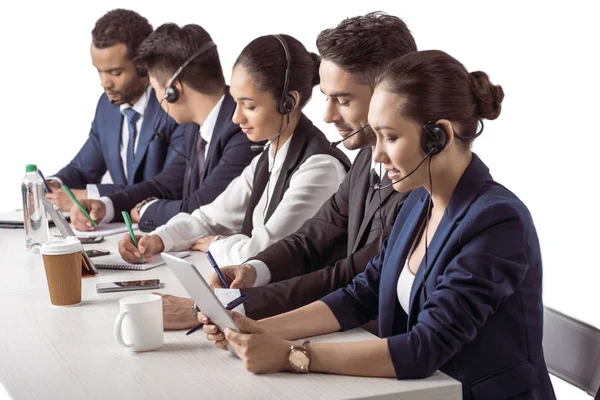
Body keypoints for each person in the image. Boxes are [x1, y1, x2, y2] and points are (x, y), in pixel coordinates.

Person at [200, 50, 556, 400]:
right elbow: (361, 295)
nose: (378, 154)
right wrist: (258, 330)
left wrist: (292, 355)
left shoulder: (496, 221)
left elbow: (425, 347)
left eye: (391, 137)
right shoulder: (419, 201)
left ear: (439, 136)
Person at [158, 12, 417, 329]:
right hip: (350, 332)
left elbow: (352, 274)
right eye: (326, 98)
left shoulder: (418, 180)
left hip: (387, 346)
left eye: (343, 100)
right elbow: (310, 239)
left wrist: (224, 308)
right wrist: (252, 270)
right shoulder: (366, 158)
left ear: (388, 96)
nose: (327, 115)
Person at [119, 34, 350, 267]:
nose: (236, 117)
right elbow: (209, 218)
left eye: (249, 106)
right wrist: (158, 238)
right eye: (235, 102)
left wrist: (217, 244)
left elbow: (264, 251)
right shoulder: (267, 158)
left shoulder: (319, 168)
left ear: (288, 102)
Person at [69, 23, 256, 231]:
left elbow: (203, 208)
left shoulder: (243, 128)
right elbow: (165, 185)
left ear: (172, 91)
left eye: (155, 88)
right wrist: (107, 205)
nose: (156, 99)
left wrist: (146, 211)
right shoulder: (196, 127)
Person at [46, 9, 191, 212]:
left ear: (143, 65)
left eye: (115, 73)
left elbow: (167, 187)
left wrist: (91, 195)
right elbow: (82, 169)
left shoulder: (175, 108)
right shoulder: (106, 108)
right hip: (117, 230)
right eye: (99, 70)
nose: (104, 83)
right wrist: (53, 184)